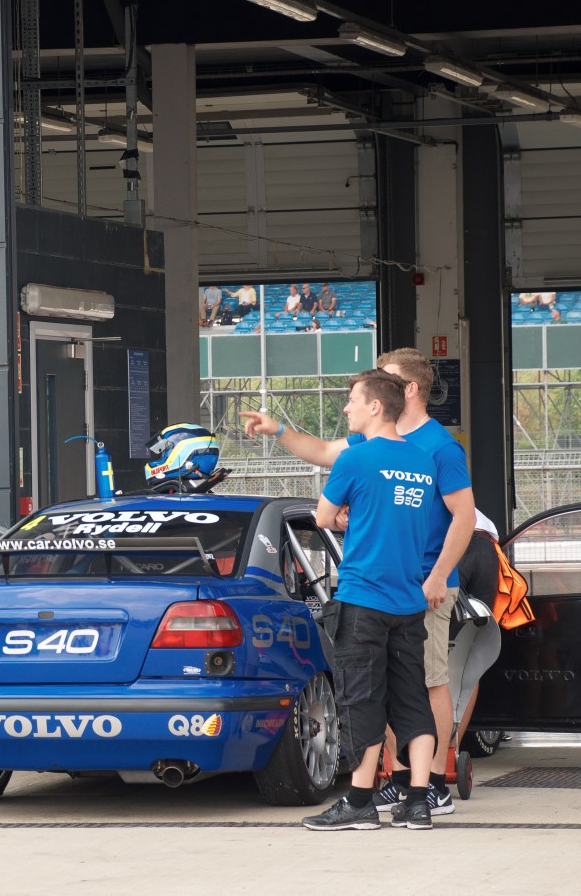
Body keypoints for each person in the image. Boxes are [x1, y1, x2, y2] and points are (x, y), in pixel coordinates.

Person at [241, 346, 475, 816]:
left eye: (380, 379)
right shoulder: (376, 448)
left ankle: (431, 785)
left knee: (424, 684)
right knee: (399, 689)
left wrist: (437, 577)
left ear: (402, 390)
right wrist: (280, 430)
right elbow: (324, 452)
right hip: (399, 589)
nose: (366, 387)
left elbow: (464, 518)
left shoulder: (439, 448)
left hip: (421, 583)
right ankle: (406, 784)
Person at [301, 369, 438, 831]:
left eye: (353, 400)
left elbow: (322, 516)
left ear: (375, 406)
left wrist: (347, 517)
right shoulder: (423, 460)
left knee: (362, 700)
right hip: (408, 600)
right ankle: (419, 801)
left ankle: (360, 802)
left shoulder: (355, 459)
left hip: (363, 600)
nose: (347, 408)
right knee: (412, 700)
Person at [452, 510, 502, 747]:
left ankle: (438, 754)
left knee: (438, 656)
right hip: (487, 548)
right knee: (470, 655)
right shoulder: (450, 478)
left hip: (454, 543)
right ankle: (452, 751)